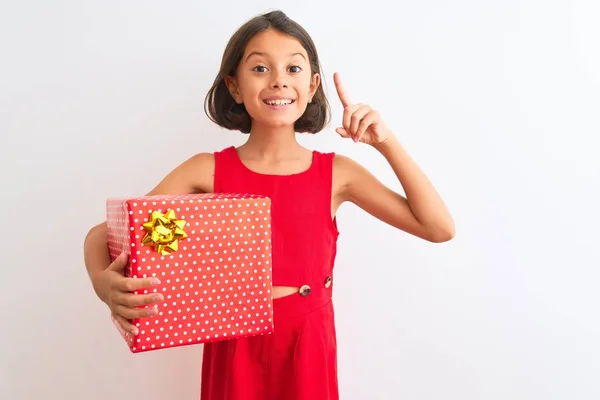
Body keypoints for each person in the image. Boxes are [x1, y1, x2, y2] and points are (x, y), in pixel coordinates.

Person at [83, 9, 455, 400]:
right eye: (260, 68)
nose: (279, 79)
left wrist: (386, 143)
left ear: (312, 86)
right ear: (234, 86)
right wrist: (101, 283)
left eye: (293, 69)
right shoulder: (205, 171)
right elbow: (103, 233)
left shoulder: (338, 174)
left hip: (308, 347)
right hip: (234, 346)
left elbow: (438, 228)